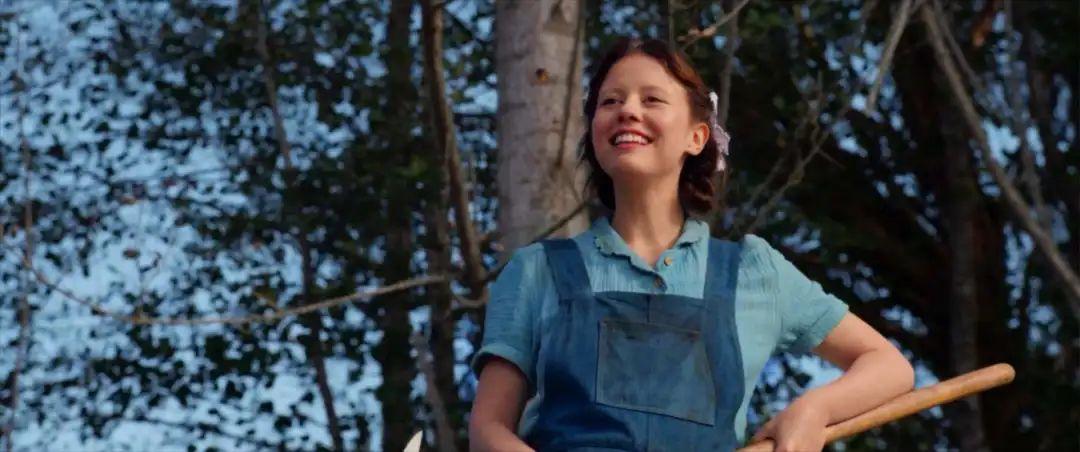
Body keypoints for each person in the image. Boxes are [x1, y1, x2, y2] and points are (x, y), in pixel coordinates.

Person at [469, 37, 914, 452]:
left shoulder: (753, 270)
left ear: (697, 136)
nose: (627, 111)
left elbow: (888, 365)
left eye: (652, 99)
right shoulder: (536, 271)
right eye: (610, 101)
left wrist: (813, 410)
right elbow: (488, 429)